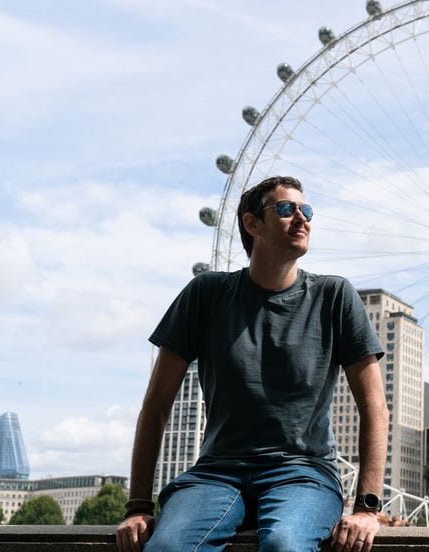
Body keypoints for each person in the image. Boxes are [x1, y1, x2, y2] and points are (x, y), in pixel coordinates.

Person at [116, 176, 389, 552]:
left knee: (285, 545)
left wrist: (367, 507)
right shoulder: (206, 294)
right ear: (251, 223)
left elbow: (374, 406)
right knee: (167, 548)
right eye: (285, 209)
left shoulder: (334, 296)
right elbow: (157, 403)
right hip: (217, 473)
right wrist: (138, 506)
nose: (301, 218)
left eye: (306, 210)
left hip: (304, 474)